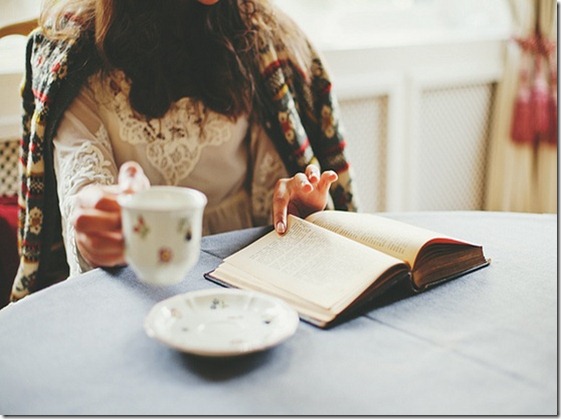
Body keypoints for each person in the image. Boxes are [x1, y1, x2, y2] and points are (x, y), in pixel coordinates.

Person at [12, 0, 359, 302]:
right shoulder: (75, 51)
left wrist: (299, 215)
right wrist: (94, 219)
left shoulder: (265, 38)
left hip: (247, 300)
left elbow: (278, 205)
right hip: (134, 297)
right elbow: (82, 186)